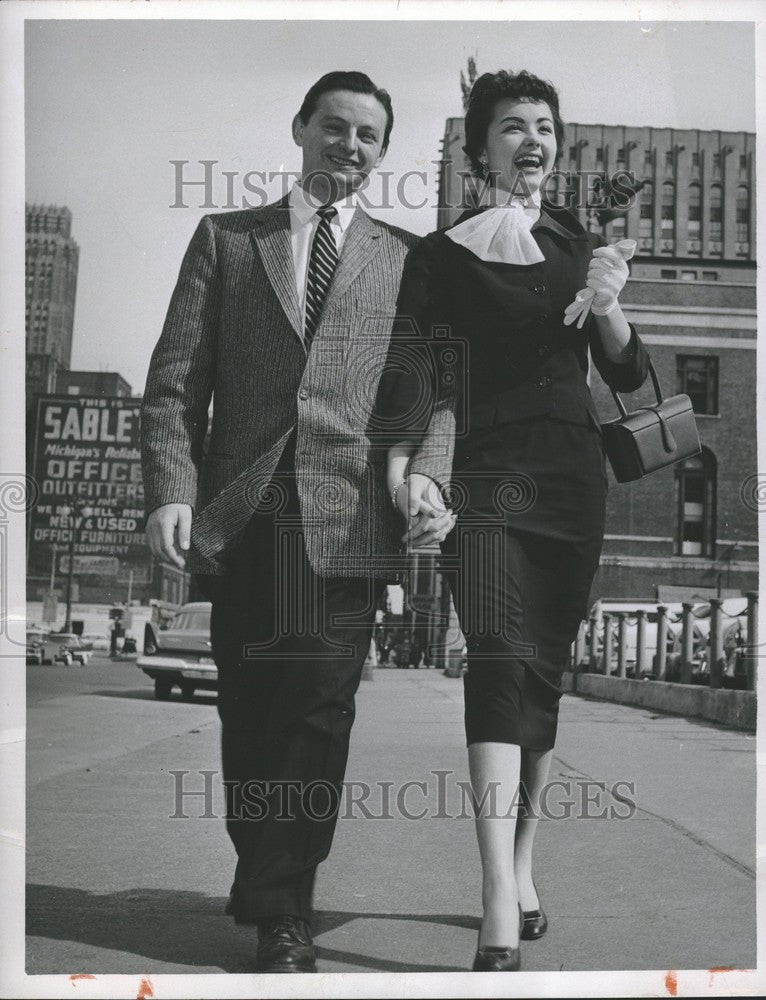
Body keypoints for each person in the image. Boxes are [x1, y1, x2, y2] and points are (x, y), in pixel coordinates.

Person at [141, 70, 453, 973]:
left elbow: (432, 397)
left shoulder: (405, 260)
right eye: (334, 127)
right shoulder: (226, 240)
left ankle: (284, 908)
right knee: (250, 711)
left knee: (318, 711)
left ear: (383, 154)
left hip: (351, 519)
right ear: (300, 129)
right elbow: (173, 386)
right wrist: (173, 488)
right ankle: (266, 875)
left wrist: (428, 478)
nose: (347, 146)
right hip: (245, 515)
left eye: (367, 136)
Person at [376, 69, 650, 971]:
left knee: (542, 676)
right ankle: (495, 890)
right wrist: (402, 468)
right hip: (485, 482)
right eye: (510, 127)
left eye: (543, 127)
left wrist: (608, 305)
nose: (530, 140)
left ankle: (524, 863)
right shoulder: (441, 255)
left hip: (572, 480)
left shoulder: (580, 244)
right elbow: (411, 369)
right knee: (496, 659)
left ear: (556, 145)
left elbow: (624, 374)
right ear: (478, 147)